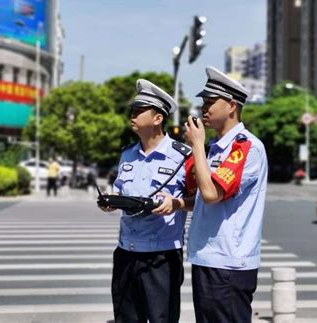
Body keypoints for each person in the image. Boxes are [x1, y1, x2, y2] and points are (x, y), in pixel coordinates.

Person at [180, 66, 268, 322]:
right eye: (202, 103)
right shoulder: (214, 149)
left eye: (210, 102)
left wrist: (196, 144)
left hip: (228, 262)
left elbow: (211, 194)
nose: (203, 109)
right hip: (208, 257)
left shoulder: (245, 147)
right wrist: (177, 203)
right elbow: (201, 198)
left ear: (231, 106)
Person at [98, 79, 188, 323]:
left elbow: (200, 200)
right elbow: (120, 191)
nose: (133, 115)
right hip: (127, 251)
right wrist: (111, 202)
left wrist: (176, 204)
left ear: (157, 119)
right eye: (133, 110)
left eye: (139, 111)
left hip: (162, 256)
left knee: (162, 319)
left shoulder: (182, 156)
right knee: (126, 318)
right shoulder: (127, 153)